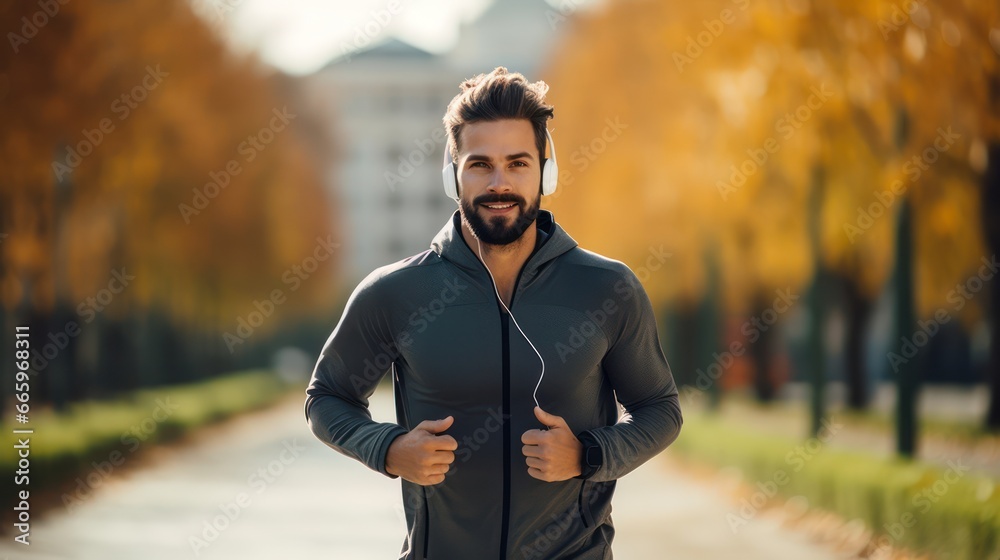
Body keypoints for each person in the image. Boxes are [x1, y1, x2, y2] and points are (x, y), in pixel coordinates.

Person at [305, 66, 682, 560]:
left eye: (518, 163)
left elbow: (660, 409)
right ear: (452, 173)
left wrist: (590, 454)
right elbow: (327, 398)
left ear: (546, 172)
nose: (499, 183)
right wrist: (389, 449)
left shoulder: (607, 288)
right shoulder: (396, 292)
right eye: (480, 164)